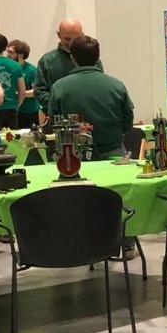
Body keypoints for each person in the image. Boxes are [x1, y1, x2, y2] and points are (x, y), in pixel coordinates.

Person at [48, 35, 138, 258]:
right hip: (113, 155)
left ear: (72, 58)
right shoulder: (116, 85)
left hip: (74, 160)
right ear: (98, 56)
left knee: (79, 204)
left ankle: (82, 244)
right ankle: (125, 243)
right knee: (118, 199)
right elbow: (128, 123)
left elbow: (53, 122)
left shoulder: (60, 87)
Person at [34, 19, 96, 109]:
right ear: (58, 35)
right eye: (67, 39)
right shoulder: (46, 61)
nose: (71, 43)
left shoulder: (94, 59)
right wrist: (62, 104)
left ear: (83, 35)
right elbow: (39, 92)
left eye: (76, 39)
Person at [9, 39, 41, 129]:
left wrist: (20, 94)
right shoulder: (9, 68)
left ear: (20, 55)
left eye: (11, 52)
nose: (7, 55)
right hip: (14, 110)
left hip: (29, 111)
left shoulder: (31, 70)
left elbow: (35, 91)